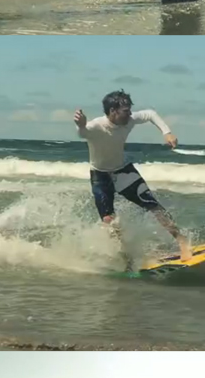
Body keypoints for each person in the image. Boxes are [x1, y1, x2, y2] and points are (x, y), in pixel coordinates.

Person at [74, 89, 192, 267]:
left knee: (152, 205)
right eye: (125, 111)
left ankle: (182, 240)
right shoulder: (97, 126)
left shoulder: (128, 120)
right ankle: (126, 257)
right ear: (113, 111)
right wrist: (81, 125)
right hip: (100, 175)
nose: (130, 115)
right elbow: (83, 133)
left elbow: (151, 114)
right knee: (109, 221)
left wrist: (167, 132)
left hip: (123, 171)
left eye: (130, 110)